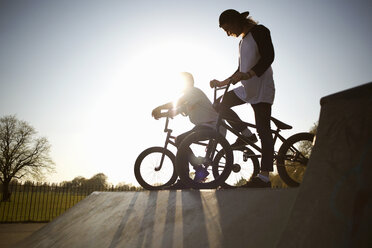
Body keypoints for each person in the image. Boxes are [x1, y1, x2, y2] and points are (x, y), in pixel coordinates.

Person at [210, 9, 275, 188]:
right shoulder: (241, 42)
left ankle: (264, 177)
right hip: (247, 89)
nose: (227, 32)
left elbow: (269, 57)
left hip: (262, 89)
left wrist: (249, 75)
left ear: (237, 21)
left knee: (264, 130)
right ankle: (246, 134)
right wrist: (222, 82)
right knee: (219, 104)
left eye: (227, 28)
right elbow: (240, 69)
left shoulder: (260, 31)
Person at [152, 72, 223, 189]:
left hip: (211, 126)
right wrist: (164, 114)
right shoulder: (189, 97)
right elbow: (179, 109)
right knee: (181, 140)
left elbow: (177, 103)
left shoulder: (193, 91)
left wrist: (159, 108)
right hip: (205, 126)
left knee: (180, 140)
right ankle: (194, 171)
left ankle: (194, 172)